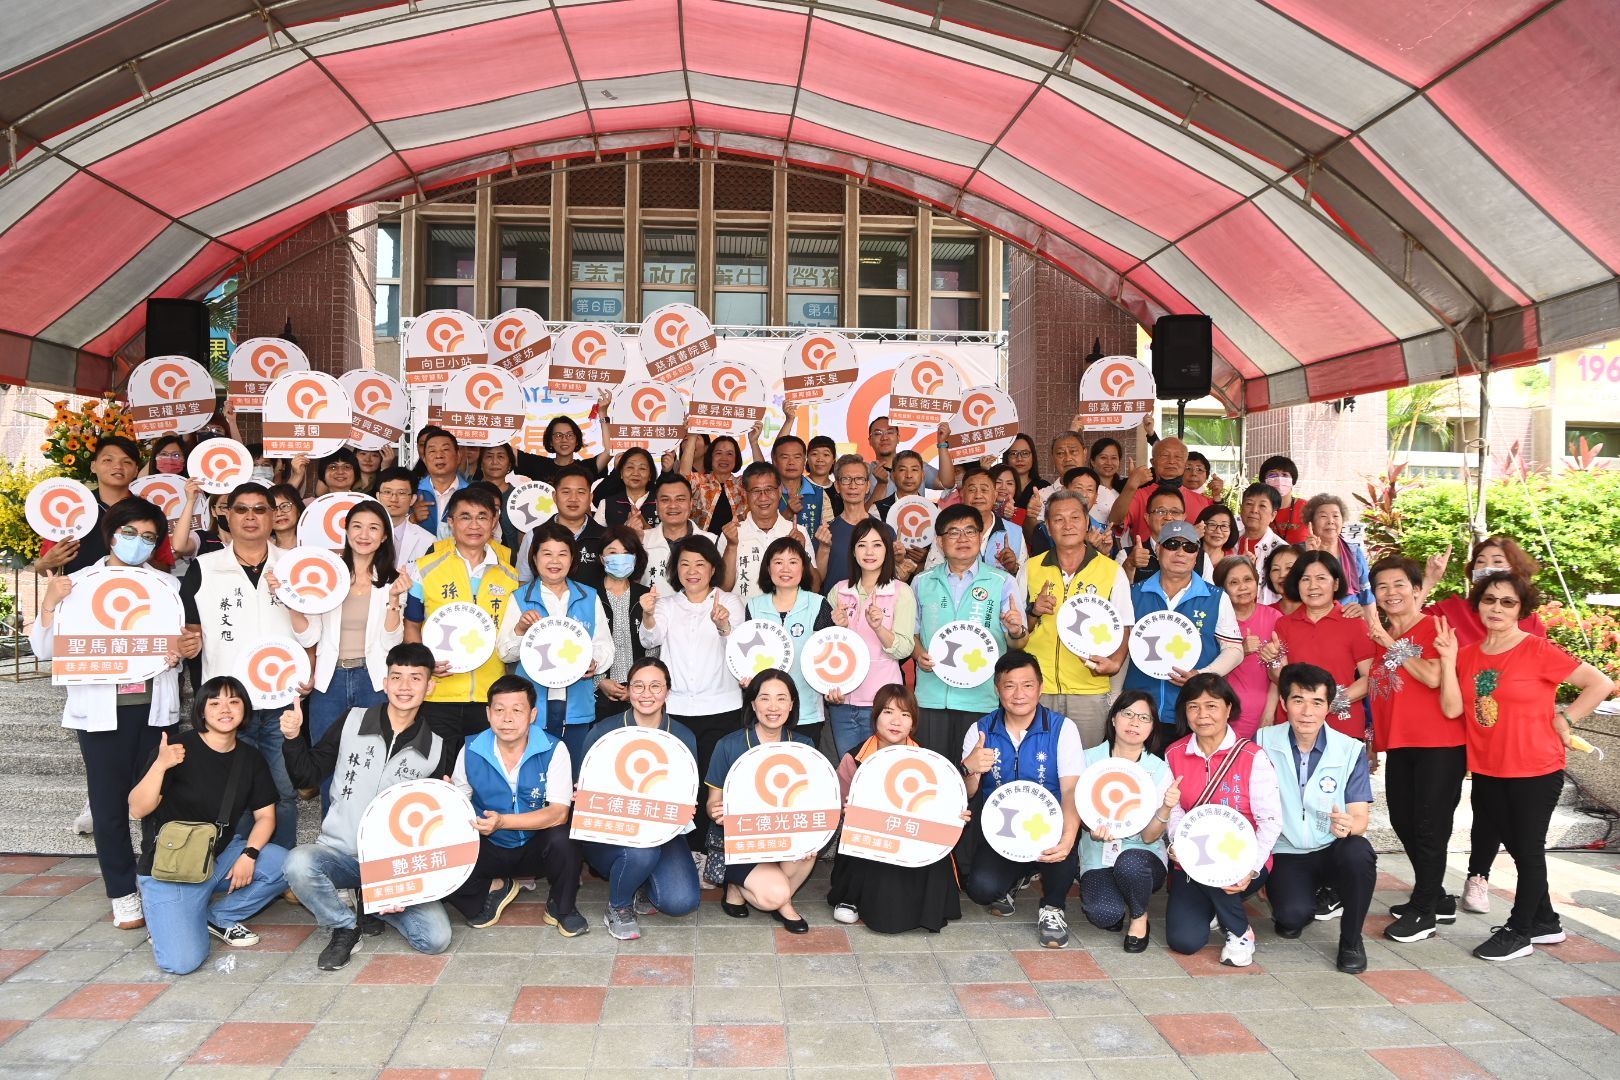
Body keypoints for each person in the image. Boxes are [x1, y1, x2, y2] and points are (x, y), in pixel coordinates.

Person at [31, 498, 196, 930]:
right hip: (100, 716)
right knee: (108, 807)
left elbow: (180, 644)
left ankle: (157, 883)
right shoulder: (76, 584)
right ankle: (123, 893)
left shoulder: (167, 586)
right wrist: (49, 603)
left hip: (156, 713)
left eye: (148, 537)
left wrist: (185, 649)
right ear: (110, 535)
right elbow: (44, 650)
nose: (138, 542)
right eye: (129, 533)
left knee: (160, 802)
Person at [1438, 573, 1615, 961]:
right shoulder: (1467, 655)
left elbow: (1600, 683)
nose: (1496, 608)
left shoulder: (1537, 649)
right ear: (1477, 604)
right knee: (1519, 848)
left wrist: (1566, 718)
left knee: (1528, 850)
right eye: (1489, 600)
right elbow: (1452, 709)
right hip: (1488, 768)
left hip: (1535, 768)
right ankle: (1546, 922)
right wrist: (1449, 661)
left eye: (1508, 602)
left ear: (1521, 610)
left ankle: (1519, 932)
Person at [281, 643, 459, 970]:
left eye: (415, 678)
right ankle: (344, 926)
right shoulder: (353, 720)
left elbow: (428, 830)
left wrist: (446, 804)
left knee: (435, 939)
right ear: (385, 682)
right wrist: (293, 739)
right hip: (340, 853)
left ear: (429, 686)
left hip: (392, 865)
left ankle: (372, 900)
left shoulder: (436, 747)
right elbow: (308, 774)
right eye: (397, 677)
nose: (405, 686)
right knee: (298, 862)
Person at [182, 482, 317, 851]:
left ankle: (281, 868)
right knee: (233, 791)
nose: (251, 517)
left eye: (260, 509)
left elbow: (312, 629)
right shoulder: (205, 567)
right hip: (228, 704)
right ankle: (235, 866)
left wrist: (309, 668)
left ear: (274, 516)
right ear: (227, 515)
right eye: (241, 509)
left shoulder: (294, 565)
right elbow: (191, 631)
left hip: (281, 698)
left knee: (283, 790)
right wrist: (187, 645)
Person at [1420, 534, 1548, 915]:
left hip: (1502, 732)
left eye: (1497, 561)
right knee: (1442, 807)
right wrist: (1428, 580)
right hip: (1451, 721)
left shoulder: (1527, 620)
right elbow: (1407, 617)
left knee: (1492, 808)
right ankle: (1431, 888)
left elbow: (1543, 674)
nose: (1487, 567)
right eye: (1480, 561)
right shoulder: (1452, 609)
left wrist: (1560, 718)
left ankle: (1479, 877)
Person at [129, 676, 289, 973]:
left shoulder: (249, 758)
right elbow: (138, 809)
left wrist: (249, 854)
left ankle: (217, 916)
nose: (225, 709)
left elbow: (266, 816)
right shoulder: (175, 749)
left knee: (287, 864)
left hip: (218, 856)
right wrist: (160, 766)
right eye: (215, 703)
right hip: (172, 868)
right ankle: (164, 911)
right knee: (182, 962)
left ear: (245, 709)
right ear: (201, 711)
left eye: (234, 702)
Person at [1366, 556, 1465, 941]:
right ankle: (1436, 896)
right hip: (1401, 742)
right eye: (1382, 586)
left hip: (1439, 743)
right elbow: (1379, 689)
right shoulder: (1385, 633)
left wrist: (1389, 642)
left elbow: (1433, 676)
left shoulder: (1433, 627)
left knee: (1428, 827)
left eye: (1399, 585)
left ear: (1416, 589)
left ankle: (1424, 912)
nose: (1390, 593)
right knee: (1403, 821)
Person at [1257, 663, 1376, 974]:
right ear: (1284, 704)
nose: (1307, 712)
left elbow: (1360, 817)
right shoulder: (1262, 742)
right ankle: (1304, 898)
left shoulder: (1349, 750)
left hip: (1331, 846)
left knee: (1359, 852)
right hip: (1287, 850)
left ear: (1329, 706)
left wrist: (1348, 825)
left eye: (1317, 702)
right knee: (1290, 919)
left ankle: (1351, 941)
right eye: (1298, 700)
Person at [447, 676, 587, 935]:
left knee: (565, 838)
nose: (507, 719)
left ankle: (562, 907)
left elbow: (559, 813)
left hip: (535, 846)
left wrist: (503, 822)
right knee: (443, 857)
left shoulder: (554, 749)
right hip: (488, 845)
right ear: (488, 713)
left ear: (532, 714)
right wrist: (445, 798)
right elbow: (460, 802)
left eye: (517, 710)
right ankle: (495, 888)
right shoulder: (470, 749)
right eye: (499, 710)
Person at [961, 652, 1082, 948]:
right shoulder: (980, 730)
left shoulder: (1062, 728)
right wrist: (970, 768)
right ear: (997, 689)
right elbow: (969, 793)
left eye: (1027, 685)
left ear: (1040, 688)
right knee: (981, 890)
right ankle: (1021, 874)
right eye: (1009, 685)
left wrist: (1068, 837)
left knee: (1063, 851)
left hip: (1049, 828)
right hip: (1002, 832)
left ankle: (1053, 907)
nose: (1019, 694)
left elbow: (1070, 790)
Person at [579, 657, 703, 939]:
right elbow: (583, 786)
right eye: (638, 686)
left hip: (663, 831)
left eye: (655, 686)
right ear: (629, 689)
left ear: (667, 690)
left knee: (681, 902)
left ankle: (641, 882)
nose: (647, 694)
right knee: (641, 852)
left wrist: (686, 806)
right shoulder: (604, 731)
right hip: (610, 831)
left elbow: (687, 790)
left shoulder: (683, 736)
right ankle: (619, 905)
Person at [1163, 675, 1281, 967]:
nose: (1202, 715)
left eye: (1211, 706)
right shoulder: (1174, 753)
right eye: (1193, 706)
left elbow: (1270, 820)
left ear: (1229, 708)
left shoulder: (1252, 756)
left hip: (1241, 859)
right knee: (1184, 941)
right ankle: (1215, 906)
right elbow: (1174, 809)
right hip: (1193, 860)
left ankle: (1239, 932)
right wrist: (1177, 842)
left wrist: (1250, 867)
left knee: (1221, 867)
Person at [826, 683, 963, 933]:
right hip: (871, 839)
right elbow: (834, 806)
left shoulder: (928, 760)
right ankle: (851, 897)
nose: (896, 721)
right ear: (875, 716)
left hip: (912, 834)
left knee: (934, 845)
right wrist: (846, 810)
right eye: (888, 712)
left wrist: (955, 814)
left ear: (913, 722)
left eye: (905, 714)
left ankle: (924, 907)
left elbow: (940, 805)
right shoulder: (854, 758)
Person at [639, 535, 745, 849]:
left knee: (715, 783)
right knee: (679, 781)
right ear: (675, 569)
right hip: (677, 709)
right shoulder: (667, 604)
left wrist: (723, 625)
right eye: (685, 564)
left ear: (713, 568)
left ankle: (708, 849)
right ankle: (678, 849)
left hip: (722, 707)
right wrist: (647, 614)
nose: (692, 570)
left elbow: (738, 650)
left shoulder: (730, 602)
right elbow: (649, 640)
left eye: (700, 563)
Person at [309, 500, 409, 809]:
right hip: (329, 681)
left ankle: (368, 832)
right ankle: (329, 832)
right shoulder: (326, 575)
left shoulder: (393, 581)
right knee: (327, 764)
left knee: (372, 763)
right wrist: (291, 601)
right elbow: (308, 635)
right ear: (346, 531)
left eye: (373, 528)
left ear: (384, 536)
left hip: (372, 680)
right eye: (357, 526)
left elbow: (392, 642)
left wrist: (394, 600)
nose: (364, 535)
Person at [911, 503, 1028, 762]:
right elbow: (912, 635)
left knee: (976, 773)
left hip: (981, 698)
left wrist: (1016, 630)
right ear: (940, 541)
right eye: (953, 532)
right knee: (934, 771)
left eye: (970, 531)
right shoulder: (922, 582)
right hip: (931, 697)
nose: (962, 538)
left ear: (980, 536)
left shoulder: (1002, 581)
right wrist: (919, 655)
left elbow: (1019, 644)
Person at [705, 669, 820, 932]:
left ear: (791, 705)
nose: (773, 707)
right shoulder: (728, 745)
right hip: (740, 843)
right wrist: (717, 812)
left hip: (784, 837)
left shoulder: (804, 745)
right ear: (753, 704)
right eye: (765, 698)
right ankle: (771, 898)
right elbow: (712, 803)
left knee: (808, 851)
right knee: (773, 895)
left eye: (781, 698)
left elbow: (813, 800)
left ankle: (758, 893)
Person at [1017, 491, 1134, 746]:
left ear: (1087, 522)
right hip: (1037, 687)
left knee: (1085, 761)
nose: (1067, 525)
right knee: (1036, 759)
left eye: (1075, 517)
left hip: (1089, 689)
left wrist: (1115, 663)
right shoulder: (1031, 568)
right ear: (1048, 527)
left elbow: (1125, 624)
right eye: (1058, 519)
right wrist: (1034, 611)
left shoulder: (1111, 571)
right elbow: (1017, 629)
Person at [405, 486, 521, 742]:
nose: (474, 525)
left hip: (491, 697)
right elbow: (411, 623)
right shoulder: (424, 569)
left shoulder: (510, 576)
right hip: (438, 694)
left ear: (494, 522)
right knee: (438, 765)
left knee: (482, 766)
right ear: (451, 522)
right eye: (465, 517)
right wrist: (424, 663)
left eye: (482, 517)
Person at [495, 522, 613, 772]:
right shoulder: (521, 597)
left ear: (572, 558)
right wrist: (520, 630)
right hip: (531, 708)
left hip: (577, 705)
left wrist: (594, 662)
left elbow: (605, 646)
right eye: (547, 553)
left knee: (573, 775)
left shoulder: (589, 596)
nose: (554, 561)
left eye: (562, 554)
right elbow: (504, 652)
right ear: (534, 558)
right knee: (532, 776)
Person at [1123, 520, 1243, 746]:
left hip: (1192, 713)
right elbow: (1121, 651)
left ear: (1197, 555)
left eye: (1189, 547)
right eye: (1172, 544)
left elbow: (1234, 650)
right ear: (1158, 550)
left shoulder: (1216, 597)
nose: (1180, 552)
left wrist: (1201, 675)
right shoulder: (1133, 594)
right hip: (1139, 712)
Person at [1078, 693, 1176, 952]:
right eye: (1128, 714)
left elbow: (1149, 837)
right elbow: (1078, 811)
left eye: (1144, 718)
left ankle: (1139, 916)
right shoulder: (1087, 759)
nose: (1134, 723)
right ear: (1113, 719)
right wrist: (1091, 829)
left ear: (1153, 726)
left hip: (1142, 854)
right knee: (1104, 914)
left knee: (1130, 864)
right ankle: (1121, 897)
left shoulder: (1159, 769)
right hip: (1099, 851)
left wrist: (1166, 807)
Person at [826, 520, 918, 757]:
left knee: (881, 770)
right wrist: (839, 629)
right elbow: (824, 649)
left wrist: (879, 628)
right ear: (853, 551)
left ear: (887, 550)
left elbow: (905, 649)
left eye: (877, 545)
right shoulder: (839, 591)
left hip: (883, 705)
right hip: (842, 702)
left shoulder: (900, 591)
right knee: (850, 769)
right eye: (862, 545)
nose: (869, 552)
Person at [1269, 551, 1374, 739]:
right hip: (1295, 726)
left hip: (1342, 727)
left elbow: (1369, 678)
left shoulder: (1354, 623)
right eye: (1305, 579)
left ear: (1336, 583)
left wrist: (1328, 704)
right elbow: (1279, 677)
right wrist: (1273, 660)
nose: (1312, 586)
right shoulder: (1284, 624)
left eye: (1321, 578)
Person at [35, 437, 176, 575]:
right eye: (108, 460)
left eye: (127, 462)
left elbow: (165, 568)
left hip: (133, 588)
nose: (118, 466)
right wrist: (45, 563)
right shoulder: (72, 508)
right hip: (78, 589)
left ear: (136, 471)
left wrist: (142, 555)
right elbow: (44, 569)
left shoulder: (149, 513)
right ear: (93, 466)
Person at [746, 536, 834, 734]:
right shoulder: (754, 606)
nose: (785, 569)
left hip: (807, 711)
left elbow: (829, 657)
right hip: (765, 713)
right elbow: (747, 657)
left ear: (803, 568)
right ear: (768, 568)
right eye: (778, 562)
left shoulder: (818, 604)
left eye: (793, 562)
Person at [1214, 556, 1281, 740]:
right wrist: (1238, 652)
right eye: (1234, 582)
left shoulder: (1275, 617)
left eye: (1248, 580)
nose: (1243, 587)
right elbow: (1210, 675)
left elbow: (1280, 675)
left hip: (1266, 715)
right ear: (1222, 588)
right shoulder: (1215, 621)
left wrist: (1269, 714)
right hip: (1224, 715)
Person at [721, 462, 807, 604]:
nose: (763, 497)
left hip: (787, 615)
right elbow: (723, 588)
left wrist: (801, 551)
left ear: (779, 491)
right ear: (745, 494)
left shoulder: (798, 532)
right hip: (741, 615)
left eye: (769, 489)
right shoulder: (731, 533)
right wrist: (731, 546)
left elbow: (814, 586)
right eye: (756, 491)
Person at [592, 526, 651, 719]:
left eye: (626, 553)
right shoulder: (588, 596)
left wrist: (639, 685)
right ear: (602, 558)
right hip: (598, 695)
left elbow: (654, 647)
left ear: (635, 558)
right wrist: (599, 681)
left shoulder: (646, 596)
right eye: (612, 552)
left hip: (642, 693)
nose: (620, 558)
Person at [1109, 436, 1212, 543]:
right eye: (1164, 455)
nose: (1171, 461)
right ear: (1153, 462)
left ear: (1185, 463)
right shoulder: (1138, 496)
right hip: (1144, 553)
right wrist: (1131, 485)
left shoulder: (1203, 502)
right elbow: (1114, 522)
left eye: (1178, 456)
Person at [639, 473, 714, 596]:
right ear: (656, 504)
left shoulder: (712, 541)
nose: (673, 505)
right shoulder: (641, 540)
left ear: (691, 503)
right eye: (665, 500)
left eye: (680, 499)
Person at [813, 454, 877, 596]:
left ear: (868, 486)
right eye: (846, 479)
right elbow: (816, 584)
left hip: (873, 608)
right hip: (834, 607)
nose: (853, 486)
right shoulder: (825, 533)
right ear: (837, 486)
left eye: (859, 479)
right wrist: (824, 548)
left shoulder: (883, 530)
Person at [865, 414, 956, 501]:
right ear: (870, 441)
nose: (884, 438)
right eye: (878, 433)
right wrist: (880, 484)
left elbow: (946, 483)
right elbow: (864, 509)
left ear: (898, 438)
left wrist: (942, 443)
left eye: (890, 432)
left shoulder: (916, 466)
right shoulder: (865, 472)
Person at [1305, 494, 1372, 607]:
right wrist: (1310, 556)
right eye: (1323, 516)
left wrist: (1370, 618)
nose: (1330, 521)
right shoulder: (1299, 552)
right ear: (1311, 523)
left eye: (1336, 516)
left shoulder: (1354, 552)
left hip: (1349, 614)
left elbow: (1367, 595)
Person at [772, 431, 831, 542]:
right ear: (774, 461)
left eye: (797, 457)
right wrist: (787, 514)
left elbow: (829, 534)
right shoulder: (766, 493)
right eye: (785, 457)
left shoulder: (820, 493)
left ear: (804, 460)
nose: (791, 462)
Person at [412, 426, 468, 538]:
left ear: (458, 456)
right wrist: (412, 518)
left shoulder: (471, 492)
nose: (439, 456)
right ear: (424, 459)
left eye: (445, 449)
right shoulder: (412, 491)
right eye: (432, 451)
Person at [375, 466, 436, 568]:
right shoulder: (363, 535)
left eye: (401, 493)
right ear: (378, 496)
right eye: (387, 492)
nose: (394, 499)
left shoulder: (428, 541)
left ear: (412, 499)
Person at [593, 446, 657, 530]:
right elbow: (595, 536)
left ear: (650, 475)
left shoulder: (661, 503)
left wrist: (646, 528)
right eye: (630, 467)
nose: (635, 473)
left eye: (642, 468)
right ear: (621, 474)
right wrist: (625, 530)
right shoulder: (606, 504)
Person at [477, 444, 526, 553]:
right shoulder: (468, 492)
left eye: (500, 456)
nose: (494, 461)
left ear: (509, 465)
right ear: (481, 464)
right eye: (489, 456)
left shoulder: (520, 497)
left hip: (509, 560)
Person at [1257, 456, 1310, 543]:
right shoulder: (1257, 509)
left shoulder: (1308, 508)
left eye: (1285, 475)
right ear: (1263, 481)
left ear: (1293, 480)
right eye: (1272, 475)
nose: (1279, 479)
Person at [1001, 433, 1045, 530]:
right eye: (1013, 453)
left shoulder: (1043, 487)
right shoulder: (999, 487)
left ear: (1033, 457)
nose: (1019, 459)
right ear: (1006, 457)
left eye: (1025, 453)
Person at [1234, 482, 1284, 564]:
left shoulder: (1281, 550)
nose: (1254, 510)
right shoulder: (1229, 540)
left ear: (1273, 515)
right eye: (1249, 503)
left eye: (1262, 506)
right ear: (1241, 509)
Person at [1085, 436, 1125, 522]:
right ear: (1093, 461)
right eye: (1103, 457)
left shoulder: (1125, 489)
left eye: (1114, 458)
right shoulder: (1084, 490)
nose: (1109, 463)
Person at [1195, 503, 1238, 580]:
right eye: (1212, 524)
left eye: (1224, 526)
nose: (1218, 531)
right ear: (1200, 526)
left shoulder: (1234, 562)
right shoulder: (1187, 554)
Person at [805, 434, 841, 515]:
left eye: (826, 455)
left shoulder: (839, 490)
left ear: (833, 460)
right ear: (807, 458)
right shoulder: (799, 486)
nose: (820, 459)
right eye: (814, 454)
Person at [1263, 542, 1303, 611]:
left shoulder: (1317, 610)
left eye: (1289, 568)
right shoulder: (1265, 613)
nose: (1282, 575)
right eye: (1276, 569)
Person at [267, 484, 304, 550]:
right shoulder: (262, 548)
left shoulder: (312, 546)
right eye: (273, 509)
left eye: (285, 506)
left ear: (298, 510)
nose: (279, 513)